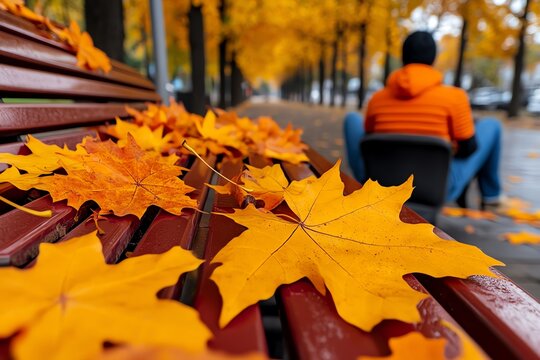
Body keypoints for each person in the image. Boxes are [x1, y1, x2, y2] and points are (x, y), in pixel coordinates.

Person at [344, 31, 503, 208]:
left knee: (352, 119)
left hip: (380, 184)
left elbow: (368, 140)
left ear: (403, 58)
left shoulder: (377, 99)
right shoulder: (455, 97)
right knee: (492, 125)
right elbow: (468, 149)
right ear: (433, 59)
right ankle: (491, 195)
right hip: (437, 188)